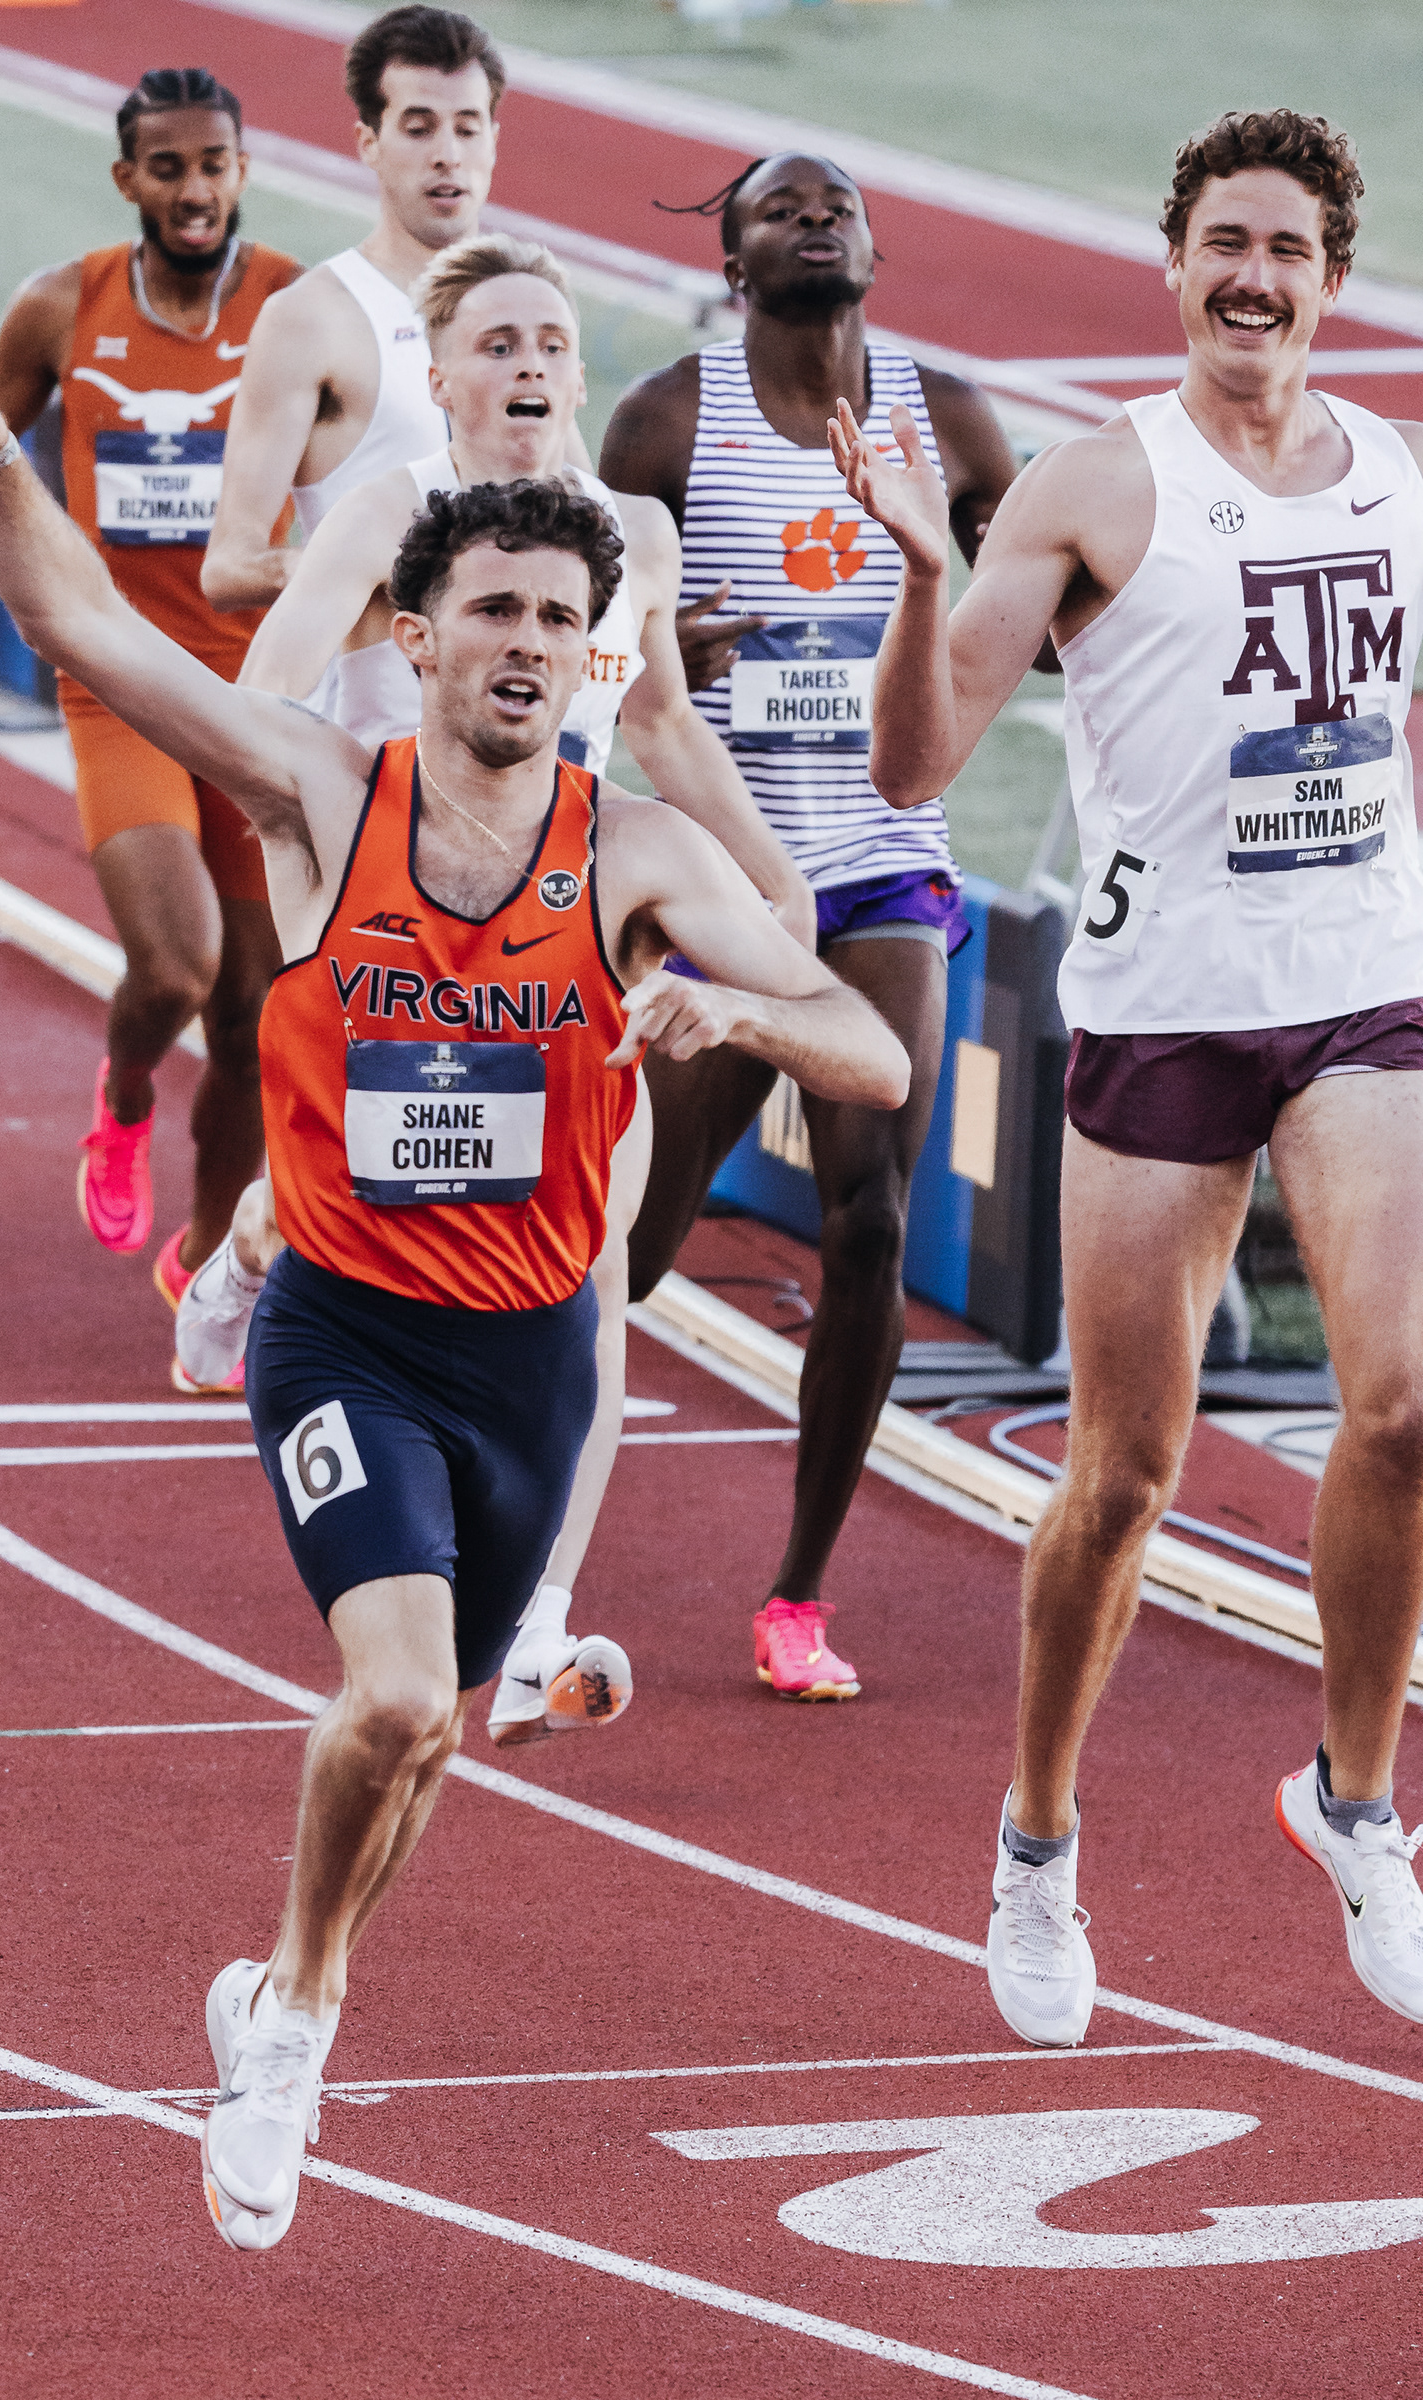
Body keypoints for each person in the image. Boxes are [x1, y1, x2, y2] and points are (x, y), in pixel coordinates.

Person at [0, 270, 910, 2249]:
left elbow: (870, 1049)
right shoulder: (324, 790)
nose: (525, 644)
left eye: (558, 618)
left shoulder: (635, 855)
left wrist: (742, 1014)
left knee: (430, 1737)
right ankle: (293, 2025)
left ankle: (287, 1987)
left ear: (595, 649)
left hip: (534, 1363)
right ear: (420, 637)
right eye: (492, 612)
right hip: (349, 1336)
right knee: (392, 1700)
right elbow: (90, 629)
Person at [836, 109, 1423, 2045]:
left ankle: (1356, 1807)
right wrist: (917, 575)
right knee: (1122, 1479)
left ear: (1334, 279)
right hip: (1166, 1008)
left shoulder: (1395, 478)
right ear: (1173, 265)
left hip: (1363, 991)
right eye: (1224, 244)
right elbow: (916, 762)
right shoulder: (1096, 481)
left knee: (1409, 1402)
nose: (1254, 277)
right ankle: (1036, 1844)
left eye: (1288, 248)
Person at [194, 231, 814, 1748]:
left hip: (573, 942)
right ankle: (251, 1246)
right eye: (496, 343)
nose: (529, 365)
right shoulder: (390, 511)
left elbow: (660, 722)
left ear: (580, 371)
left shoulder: (635, 534)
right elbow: (262, 690)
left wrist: (766, 871)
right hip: (397, 926)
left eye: (550, 341)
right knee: (351, 1200)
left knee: (592, 1271)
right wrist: (394, 683)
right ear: (441, 372)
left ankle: (535, 1623)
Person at [599, 152, 1032, 1704]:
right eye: (779, 210)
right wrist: (670, 649)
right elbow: (592, 649)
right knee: (634, 1250)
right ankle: (496, 1468)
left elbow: (1039, 620)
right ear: (733, 265)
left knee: (872, 1215)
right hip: (727, 883)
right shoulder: (665, 422)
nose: (813, 220)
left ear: (874, 247)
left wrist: (972, 594)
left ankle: (798, 1594)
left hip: (884, 867)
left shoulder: (948, 418)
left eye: (835, 204)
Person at [0, 70, 298, 1360]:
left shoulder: (297, 308)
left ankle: (208, 1263)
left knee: (254, 1020)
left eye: (214, 163)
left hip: (260, 695)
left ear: (242, 170)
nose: (195, 189)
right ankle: (123, 1097)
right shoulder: (63, 306)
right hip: (121, 680)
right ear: (128, 181)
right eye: (168, 167)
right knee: (176, 969)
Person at [200, 4, 502, 614]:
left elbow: (581, 507)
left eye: (467, 128)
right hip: (368, 677)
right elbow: (228, 568)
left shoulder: (531, 306)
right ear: (369, 143)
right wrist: (366, 564)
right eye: (419, 128)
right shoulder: (311, 319)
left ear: (494, 139)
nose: (447, 153)